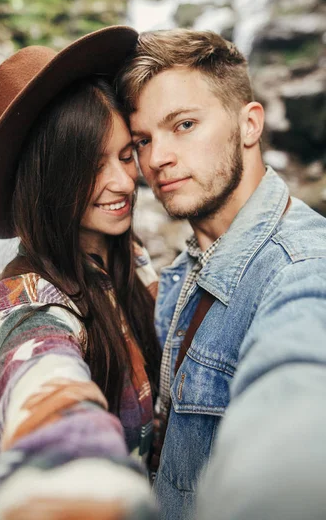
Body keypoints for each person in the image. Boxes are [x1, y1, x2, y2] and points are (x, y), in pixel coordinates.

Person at [115, 28, 326, 520]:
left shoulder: (303, 268)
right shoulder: (188, 264)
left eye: (184, 125)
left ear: (250, 124)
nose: (156, 159)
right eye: (142, 140)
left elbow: (297, 381)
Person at [0, 26, 162, 519]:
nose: (124, 182)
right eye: (93, 166)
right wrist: (64, 474)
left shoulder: (127, 253)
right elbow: (44, 378)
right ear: (48, 180)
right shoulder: (24, 302)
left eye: (124, 155)